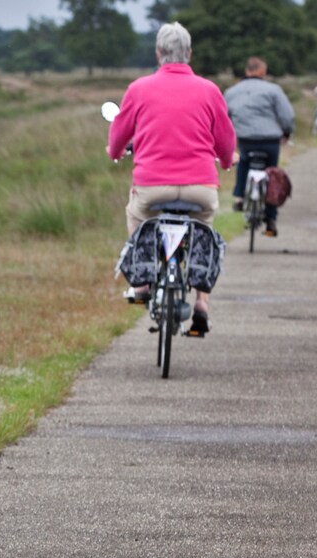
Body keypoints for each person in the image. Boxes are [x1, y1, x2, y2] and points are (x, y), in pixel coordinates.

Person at [107, 22, 236, 336]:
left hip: (152, 186)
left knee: (137, 216)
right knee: (203, 229)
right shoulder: (209, 90)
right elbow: (225, 140)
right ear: (189, 54)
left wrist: (115, 151)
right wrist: (227, 160)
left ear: (157, 53)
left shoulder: (138, 89)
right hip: (200, 187)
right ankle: (202, 302)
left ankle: (141, 283)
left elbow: (119, 135)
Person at [224, 56, 294, 236]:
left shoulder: (232, 92)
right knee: (271, 175)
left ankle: (239, 196)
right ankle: (271, 219)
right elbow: (286, 115)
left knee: (243, 163)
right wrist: (286, 132)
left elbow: (223, 116)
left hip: (245, 139)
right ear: (263, 72)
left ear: (247, 71)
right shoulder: (273, 90)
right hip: (270, 140)